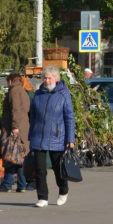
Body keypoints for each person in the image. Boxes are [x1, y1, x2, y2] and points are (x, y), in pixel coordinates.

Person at [28, 66, 75, 208]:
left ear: (56, 79)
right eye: (45, 78)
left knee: (57, 168)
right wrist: (31, 135)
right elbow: (33, 116)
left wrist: (70, 139)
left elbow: (69, 117)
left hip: (57, 136)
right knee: (40, 169)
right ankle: (42, 197)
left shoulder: (63, 94)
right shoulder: (38, 94)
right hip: (39, 136)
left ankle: (63, 190)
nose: (47, 81)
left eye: (49, 78)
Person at [0, 72, 30, 192]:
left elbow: (15, 110)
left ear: (10, 81)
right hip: (23, 128)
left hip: (15, 128)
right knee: (19, 157)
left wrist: (15, 127)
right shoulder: (22, 90)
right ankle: (22, 185)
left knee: (10, 156)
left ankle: (7, 184)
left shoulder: (14, 91)